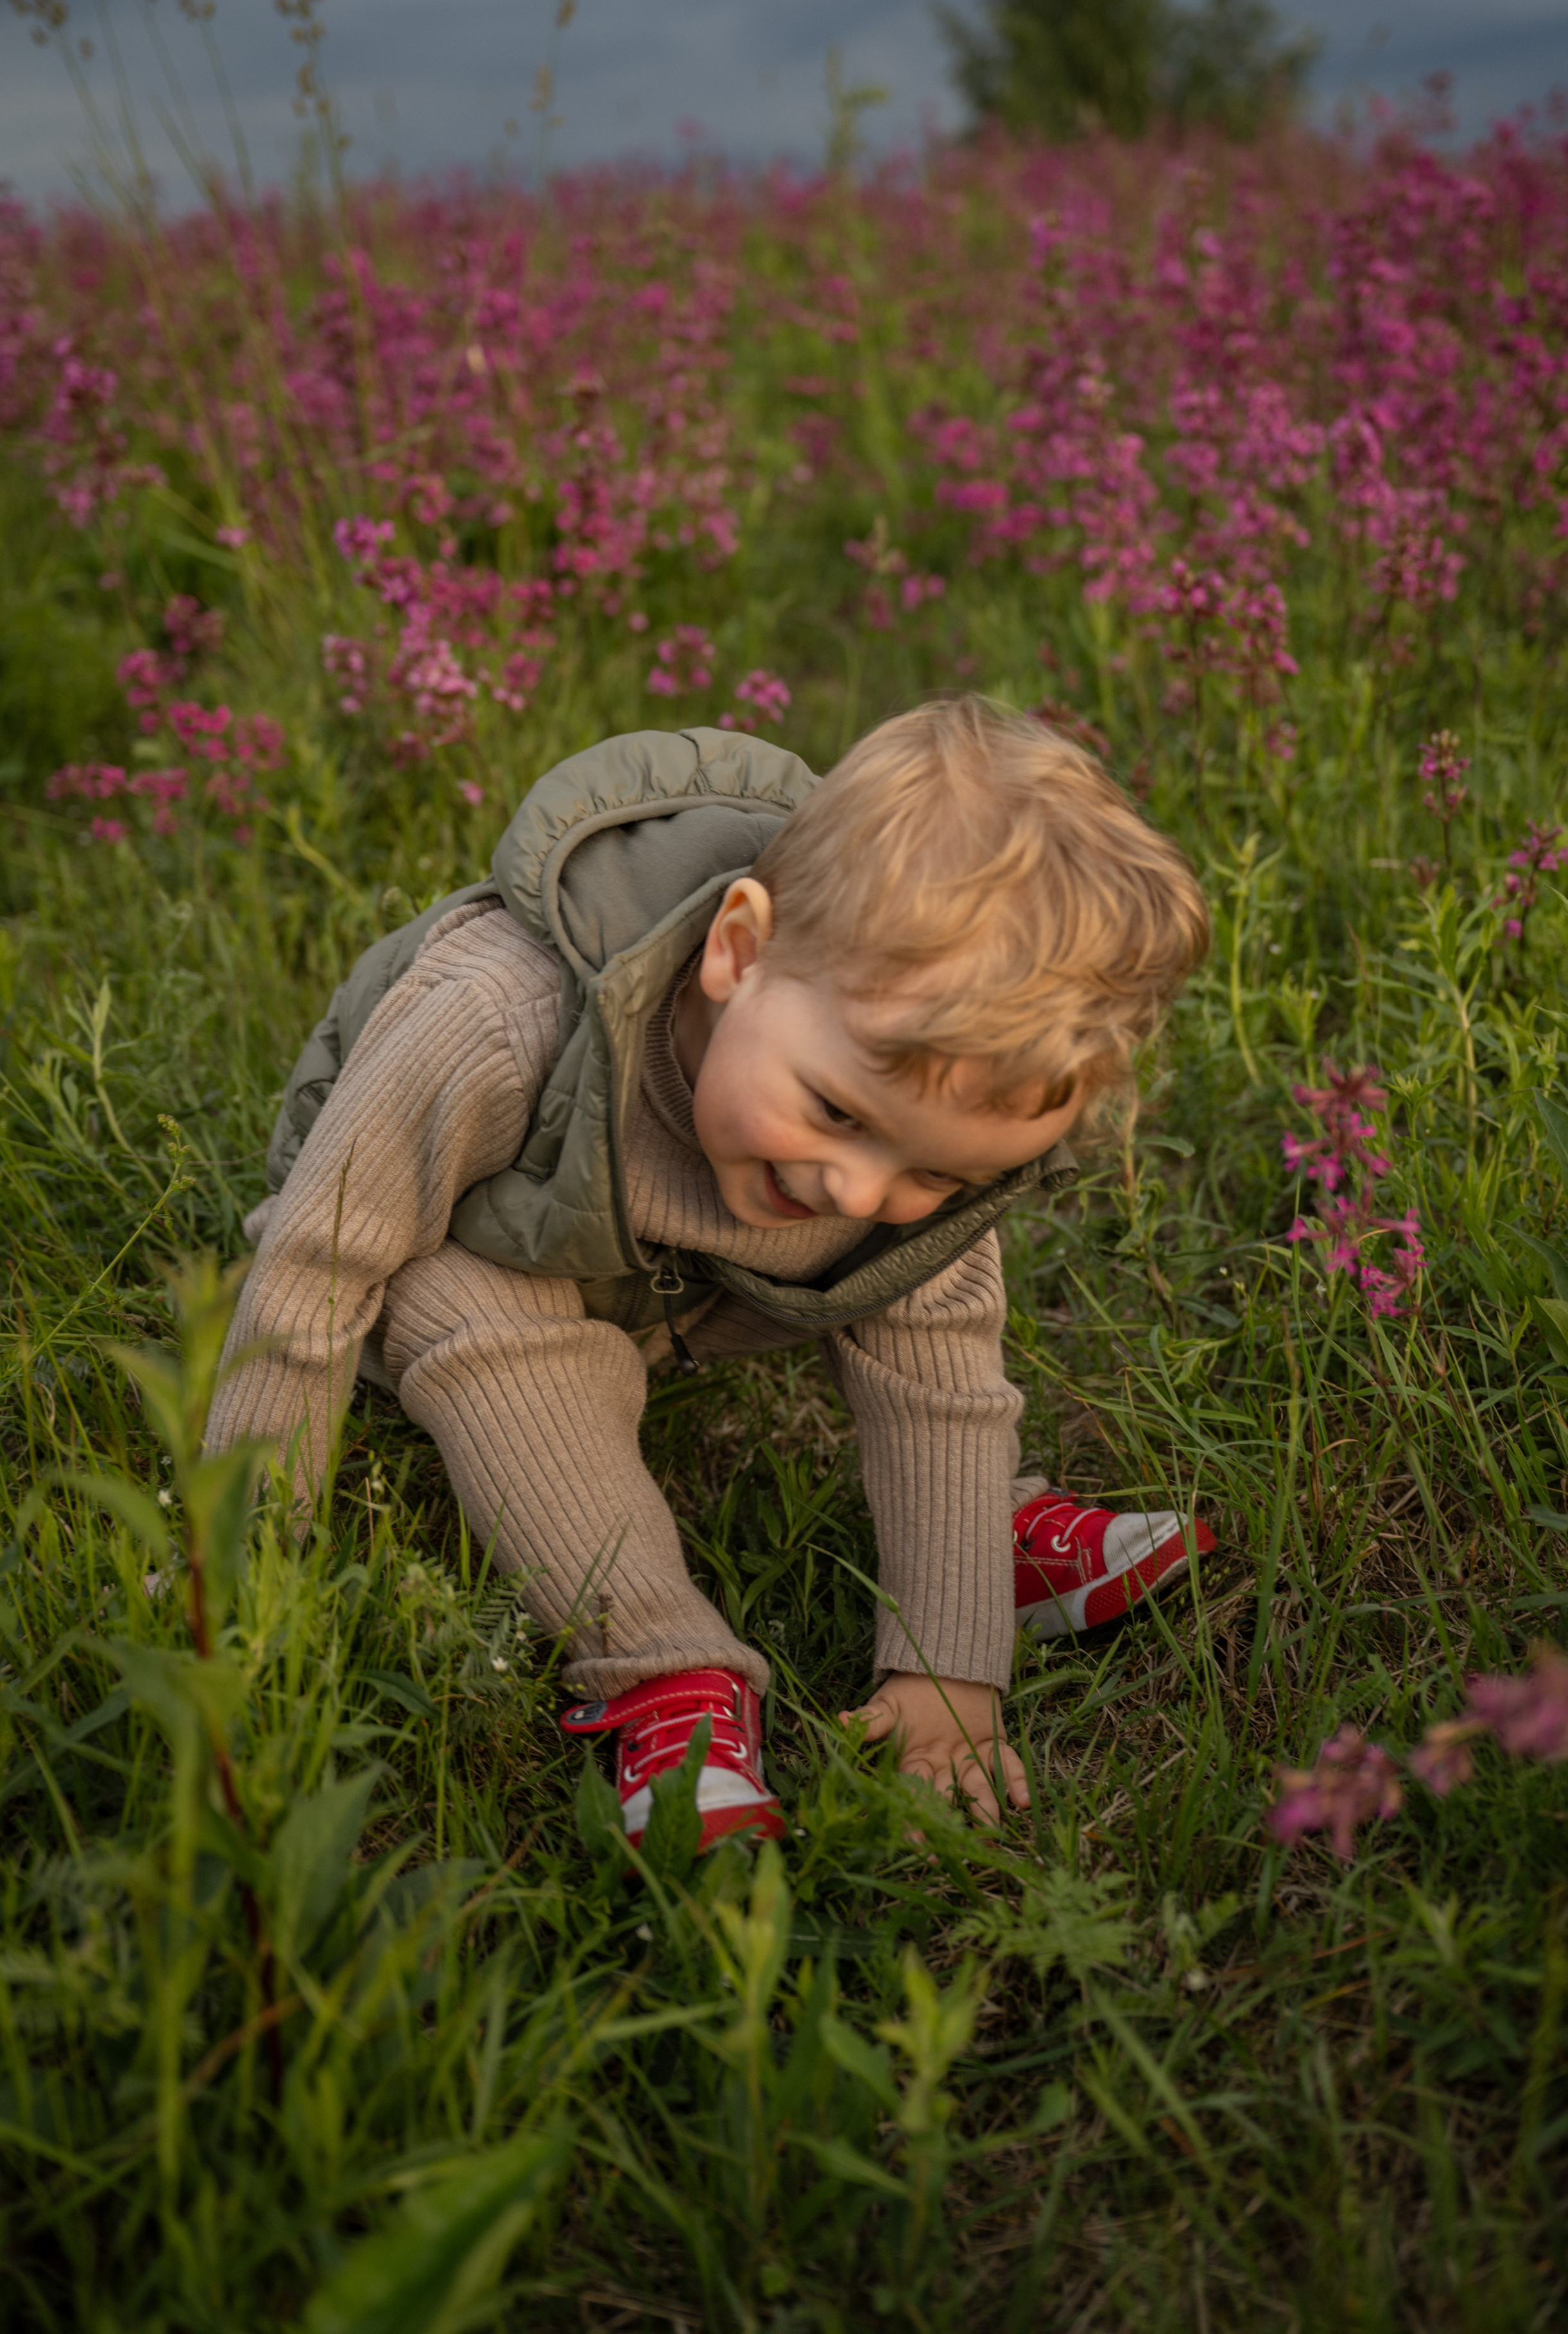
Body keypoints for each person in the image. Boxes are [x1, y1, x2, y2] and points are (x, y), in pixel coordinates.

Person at [205, 697, 1214, 1853]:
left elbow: (936, 1366)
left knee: (917, 1302)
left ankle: (976, 1553)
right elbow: (320, 1259)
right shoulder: (495, 1017)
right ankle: (667, 1672)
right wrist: (245, 1547)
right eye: (836, 1111)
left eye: (932, 1170)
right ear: (740, 949)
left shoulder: (863, 1152)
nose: (854, 1187)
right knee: (472, 1311)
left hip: (680, 1287)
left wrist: (950, 1672)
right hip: (458, 1254)